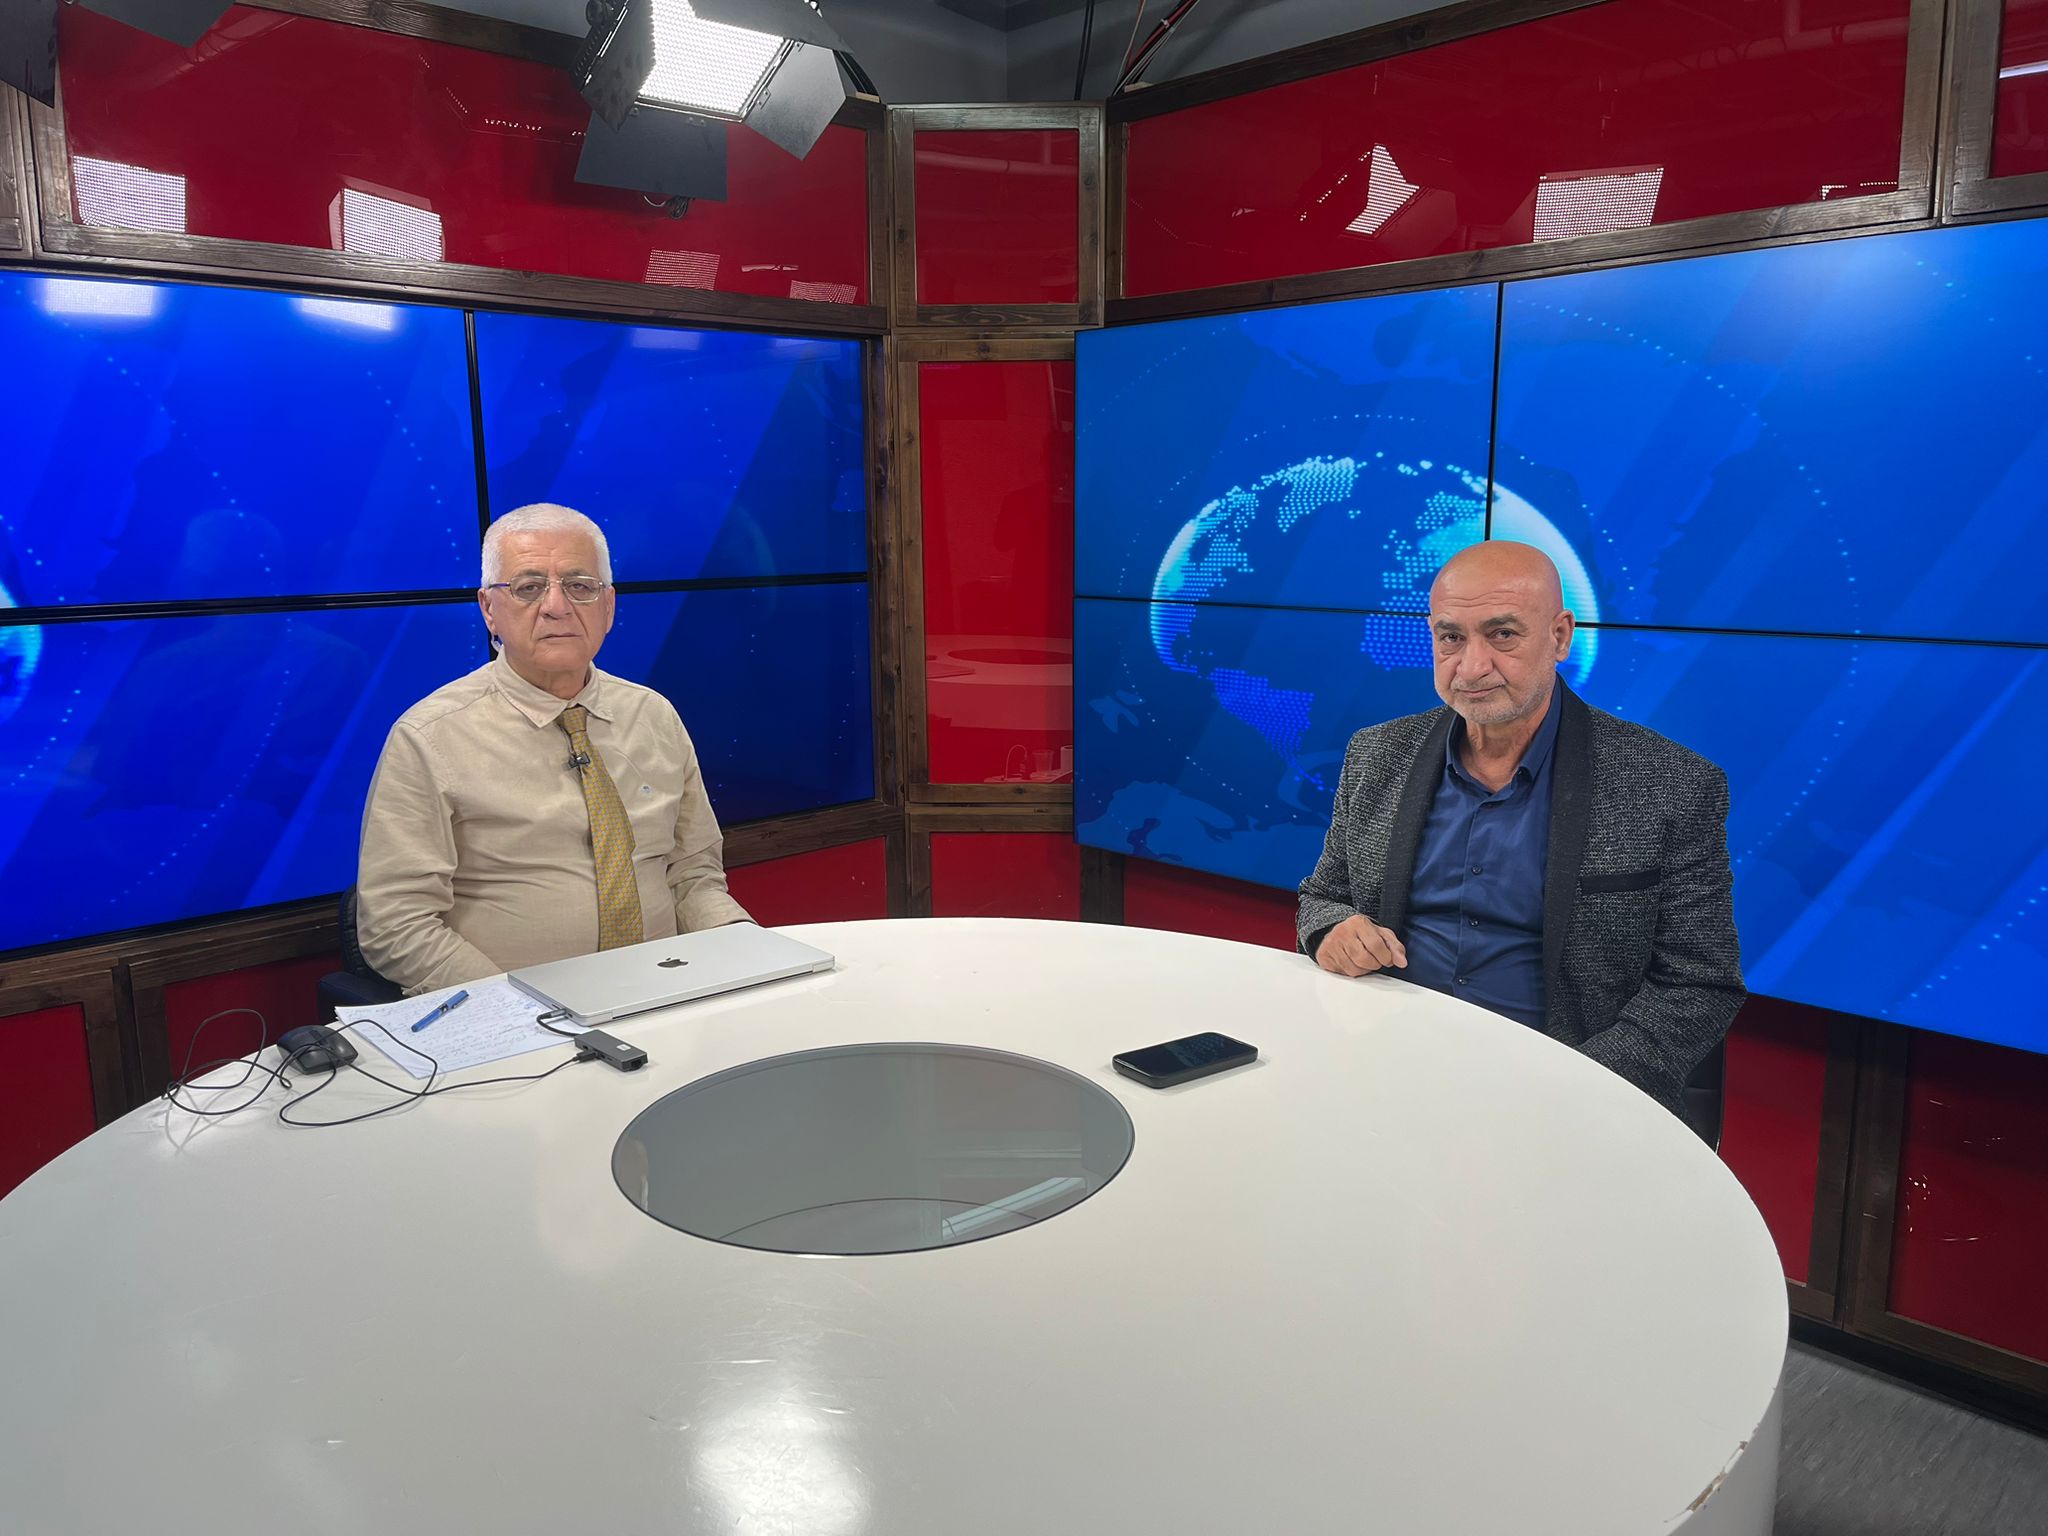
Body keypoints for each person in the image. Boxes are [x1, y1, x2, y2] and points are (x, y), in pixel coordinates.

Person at [1296, 541, 1744, 1115]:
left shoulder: (1670, 784)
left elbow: (1699, 982)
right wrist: (1332, 930)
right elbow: (1322, 897)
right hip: (1384, 1065)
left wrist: (1573, 1087)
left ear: (1559, 636)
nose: (1471, 667)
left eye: (1503, 634)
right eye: (1451, 637)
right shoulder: (1378, 754)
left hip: (1564, 1094)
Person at [357, 503, 750, 993]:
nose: (557, 606)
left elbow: (693, 874)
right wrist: (521, 1011)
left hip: (667, 993)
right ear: (488, 609)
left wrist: (742, 946)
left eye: (580, 586)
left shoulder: (654, 715)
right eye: (529, 587)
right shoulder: (429, 737)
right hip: (516, 1015)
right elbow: (396, 923)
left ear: (608, 606)